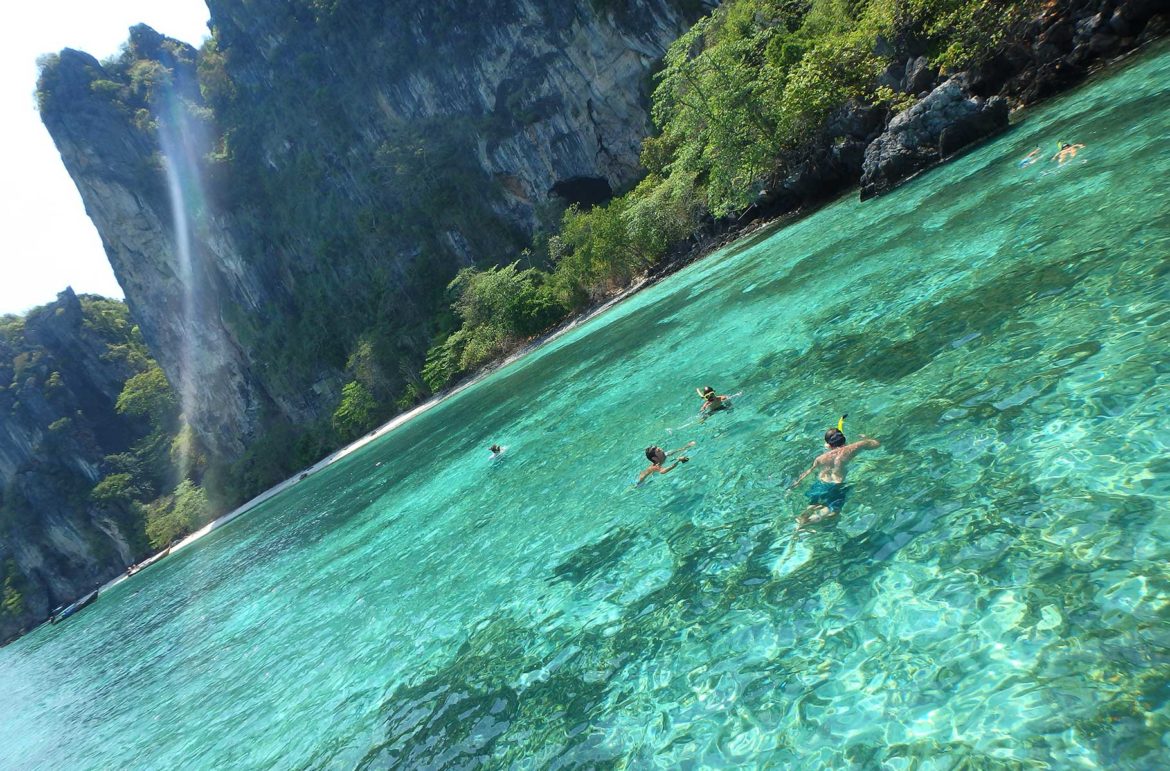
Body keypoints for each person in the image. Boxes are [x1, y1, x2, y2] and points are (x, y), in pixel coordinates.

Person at [788, 415, 880, 525]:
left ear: (828, 444)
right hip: (837, 484)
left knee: (813, 504)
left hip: (821, 483)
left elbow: (809, 471)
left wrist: (797, 482)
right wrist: (865, 438)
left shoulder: (820, 458)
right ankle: (817, 517)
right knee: (834, 510)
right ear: (844, 440)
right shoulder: (853, 448)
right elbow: (876, 444)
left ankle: (804, 517)